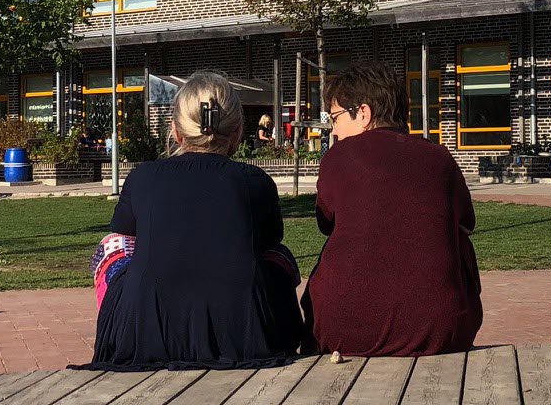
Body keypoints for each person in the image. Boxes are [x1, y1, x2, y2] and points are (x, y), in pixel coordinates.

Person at [90, 72, 309, 369]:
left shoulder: (143, 177)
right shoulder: (256, 182)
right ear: (237, 131)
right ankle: (280, 331)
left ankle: (124, 331)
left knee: (111, 246)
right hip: (244, 332)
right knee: (277, 254)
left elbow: (122, 233)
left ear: (176, 131)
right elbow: (271, 239)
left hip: (151, 332)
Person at [302, 61, 481, 358]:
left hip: (343, 331)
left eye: (335, 118)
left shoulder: (339, 157)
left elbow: (325, 222)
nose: (333, 131)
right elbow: (466, 222)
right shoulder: (439, 158)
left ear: (362, 113)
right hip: (441, 331)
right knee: (458, 240)